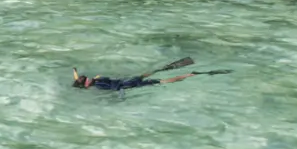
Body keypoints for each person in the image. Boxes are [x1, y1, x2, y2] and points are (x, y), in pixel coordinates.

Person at [72, 57, 230, 92]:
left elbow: (114, 87)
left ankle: (192, 74)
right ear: (86, 84)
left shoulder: (96, 82)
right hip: (129, 82)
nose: (87, 76)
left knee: (161, 81)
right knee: (158, 79)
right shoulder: (98, 83)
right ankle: (186, 73)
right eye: (85, 78)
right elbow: (114, 86)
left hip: (128, 83)